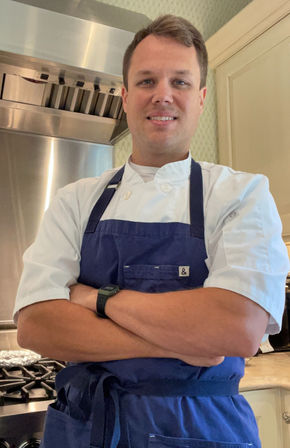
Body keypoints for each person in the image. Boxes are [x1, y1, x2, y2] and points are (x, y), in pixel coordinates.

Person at [14, 14, 289, 448]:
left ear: (200, 99)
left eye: (179, 82)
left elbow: (235, 330)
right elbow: (38, 325)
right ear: (124, 97)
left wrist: (95, 298)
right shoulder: (74, 200)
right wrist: (185, 343)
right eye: (146, 81)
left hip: (204, 429)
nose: (162, 95)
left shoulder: (241, 194)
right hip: (86, 429)